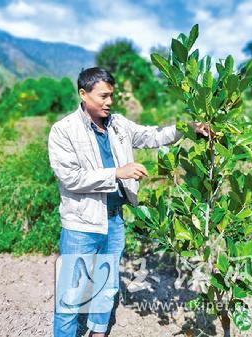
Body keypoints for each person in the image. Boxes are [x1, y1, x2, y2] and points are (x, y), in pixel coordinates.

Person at [48, 67, 210, 337]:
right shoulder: (63, 130)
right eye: (102, 96)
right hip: (81, 223)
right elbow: (70, 178)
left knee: (106, 285)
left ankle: (98, 333)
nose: (109, 102)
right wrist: (117, 173)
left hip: (114, 219)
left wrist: (188, 129)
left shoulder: (119, 124)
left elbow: (153, 136)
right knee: (71, 293)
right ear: (83, 94)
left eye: (111, 96)